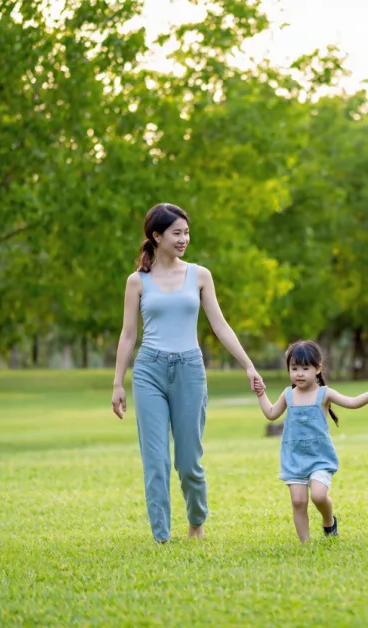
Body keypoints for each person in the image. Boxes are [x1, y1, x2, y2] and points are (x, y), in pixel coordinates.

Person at [112, 203, 264, 544]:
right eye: (177, 233)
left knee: (188, 462)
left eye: (186, 232)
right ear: (156, 236)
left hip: (189, 371)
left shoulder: (199, 275)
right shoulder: (137, 281)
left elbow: (220, 325)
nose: (184, 239)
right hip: (148, 370)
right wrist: (117, 383)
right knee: (155, 461)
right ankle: (161, 537)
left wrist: (248, 364)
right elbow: (127, 334)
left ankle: (197, 520)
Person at [253, 340, 368, 542]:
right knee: (298, 501)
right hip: (294, 459)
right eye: (294, 368)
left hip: (319, 457)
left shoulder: (324, 393)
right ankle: (305, 544)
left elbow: (353, 402)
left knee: (319, 496)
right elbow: (271, 413)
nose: (299, 373)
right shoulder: (288, 395)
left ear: (318, 368)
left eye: (305, 368)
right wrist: (261, 394)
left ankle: (329, 520)